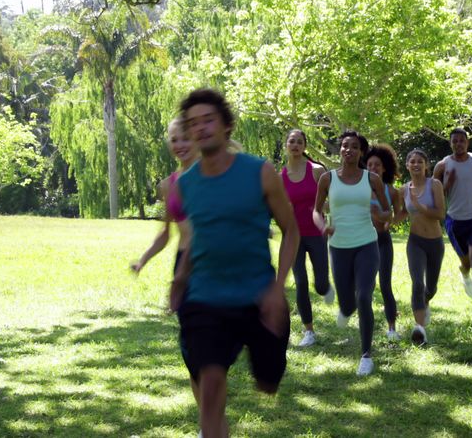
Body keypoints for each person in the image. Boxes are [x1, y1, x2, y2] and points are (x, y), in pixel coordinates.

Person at [169, 89, 300, 438]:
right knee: (209, 388)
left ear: (227, 126)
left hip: (258, 298)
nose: (200, 128)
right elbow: (198, 237)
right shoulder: (186, 185)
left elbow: (291, 231)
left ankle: (264, 361)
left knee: (267, 383)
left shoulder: (261, 172)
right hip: (206, 299)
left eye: (208, 119)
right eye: (193, 123)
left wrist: (277, 287)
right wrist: (181, 278)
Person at [314, 130, 392, 376]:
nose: (348, 150)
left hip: (367, 244)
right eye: (345, 145)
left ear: (361, 152)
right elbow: (316, 211)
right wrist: (323, 225)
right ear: (340, 149)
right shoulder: (327, 179)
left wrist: (381, 216)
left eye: (354, 146)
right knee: (348, 303)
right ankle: (346, 309)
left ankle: (366, 355)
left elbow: (387, 210)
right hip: (338, 247)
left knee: (364, 296)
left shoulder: (372, 179)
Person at [281, 129, 333, 348]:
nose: (295, 145)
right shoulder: (280, 177)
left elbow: (333, 199)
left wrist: (331, 219)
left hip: (316, 233)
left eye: (299, 142)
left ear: (304, 146)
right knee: (300, 282)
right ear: (286, 146)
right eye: (291, 141)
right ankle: (309, 331)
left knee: (320, 285)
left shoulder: (317, 171)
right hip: (293, 236)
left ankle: (326, 287)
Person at [131, 118, 199, 276]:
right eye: (174, 140)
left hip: (213, 261)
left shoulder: (213, 175)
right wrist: (143, 261)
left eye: (186, 139)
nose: (180, 145)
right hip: (183, 263)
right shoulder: (168, 185)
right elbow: (166, 232)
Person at [433, 129, 472, 327]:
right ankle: (464, 272)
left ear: (468, 142)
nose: (459, 144)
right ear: (450, 143)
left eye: (462, 140)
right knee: (467, 263)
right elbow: (435, 194)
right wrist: (448, 184)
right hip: (454, 221)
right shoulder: (443, 165)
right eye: (455, 141)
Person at [400, 149, 447, 346]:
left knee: (431, 287)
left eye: (420, 161)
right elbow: (402, 213)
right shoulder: (404, 189)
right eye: (413, 161)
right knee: (417, 283)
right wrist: (385, 221)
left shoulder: (434, 184)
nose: (416, 164)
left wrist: (419, 206)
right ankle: (420, 329)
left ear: (426, 165)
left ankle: (424, 303)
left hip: (435, 242)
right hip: (415, 242)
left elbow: (441, 214)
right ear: (407, 165)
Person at [364, 144, 403, 341]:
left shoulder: (392, 191)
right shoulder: (358, 189)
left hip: (383, 241)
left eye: (377, 165)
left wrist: (388, 221)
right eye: (369, 165)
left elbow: (397, 214)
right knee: (366, 286)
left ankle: (392, 328)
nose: (373, 168)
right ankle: (366, 324)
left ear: (384, 168)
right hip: (363, 242)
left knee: (385, 284)